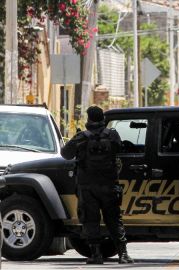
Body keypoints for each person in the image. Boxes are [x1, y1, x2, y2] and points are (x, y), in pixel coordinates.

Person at [61, 106, 134, 265]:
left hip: (88, 187)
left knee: (90, 220)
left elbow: (65, 154)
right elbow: (121, 149)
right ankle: (123, 255)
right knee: (114, 219)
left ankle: (96, 255)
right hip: (109, 185)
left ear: (88, 120)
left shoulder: (81, 137)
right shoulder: (113, 135)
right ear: (102, 119)